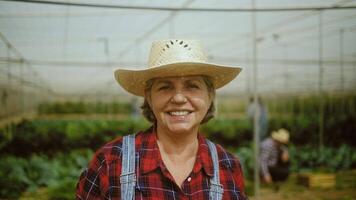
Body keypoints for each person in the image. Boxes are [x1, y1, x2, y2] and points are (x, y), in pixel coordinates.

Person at [76, 39, 248, 199]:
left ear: (210, 96)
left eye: (192, 86)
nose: (179, 98)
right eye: (165, 87)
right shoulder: (111, 161)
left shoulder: (228, 165)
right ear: (149, 97)